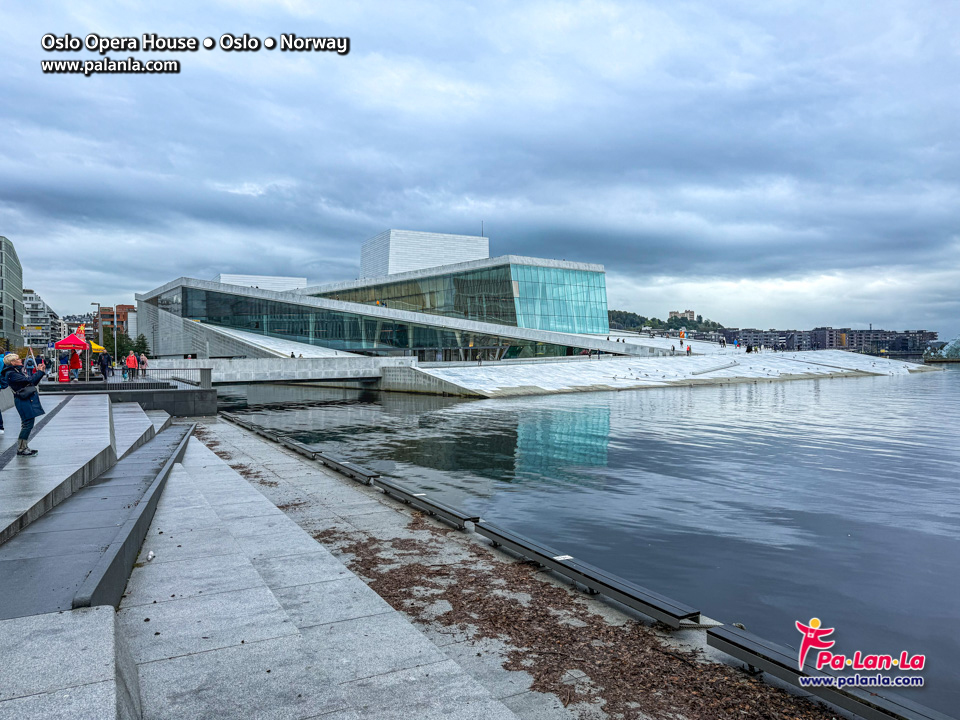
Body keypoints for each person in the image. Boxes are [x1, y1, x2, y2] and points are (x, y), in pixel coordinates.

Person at [1, 353, 46, 456]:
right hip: (22, 400)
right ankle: (21, 448)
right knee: (27, 424)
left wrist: (40, 372)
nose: (20, 360)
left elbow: (31, 382)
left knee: (28, 423)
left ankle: (24, 446)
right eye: (18, 359)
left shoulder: (15, 371)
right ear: (12, 362)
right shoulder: (11, 373)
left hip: (25, 399)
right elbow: (30, 381)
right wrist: (39, 372)